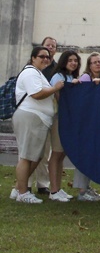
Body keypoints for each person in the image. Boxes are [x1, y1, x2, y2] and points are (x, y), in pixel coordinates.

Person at [10, 46, 64, 203]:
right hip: (31, 116)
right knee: (27, 156)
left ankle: (17, 189)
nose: (46, 59)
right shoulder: (30, 73)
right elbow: (36, 94)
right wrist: (55, 88)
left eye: (48, 57)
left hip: (38, 118)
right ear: (33, 58)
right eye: (42, 56)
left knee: (35, 156)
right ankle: (22, 193)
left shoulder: (37, 73)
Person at [48, 50, 81, 202]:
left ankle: (58, 188)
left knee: (61, 155)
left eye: (75, 60)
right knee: (56, 154)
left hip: (67, 119)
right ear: (64, 62)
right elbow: (59, 97)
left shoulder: (71, 76)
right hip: (58, 119)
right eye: (70, 60)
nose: (73, 63)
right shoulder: (58, 76)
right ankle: (53, 190)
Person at [27, 36, 58, 196]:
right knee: (31, 151)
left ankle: (42, 183)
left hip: (50, 111)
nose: (50, 48)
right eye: (48, 46)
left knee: (46, 151)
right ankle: (25, 183)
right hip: (34, 112)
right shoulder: (33, 69)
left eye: (53, 46)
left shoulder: (57, 68)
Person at [73, 52, 100, 201]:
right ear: (89, 65)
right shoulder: (86, 78)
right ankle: (81, 192)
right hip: (85, 123)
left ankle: (86, 187)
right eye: (94, 62)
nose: (98, 64)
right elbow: (83, 97)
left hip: (95, 124)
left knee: (90, 155)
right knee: (84, 155)